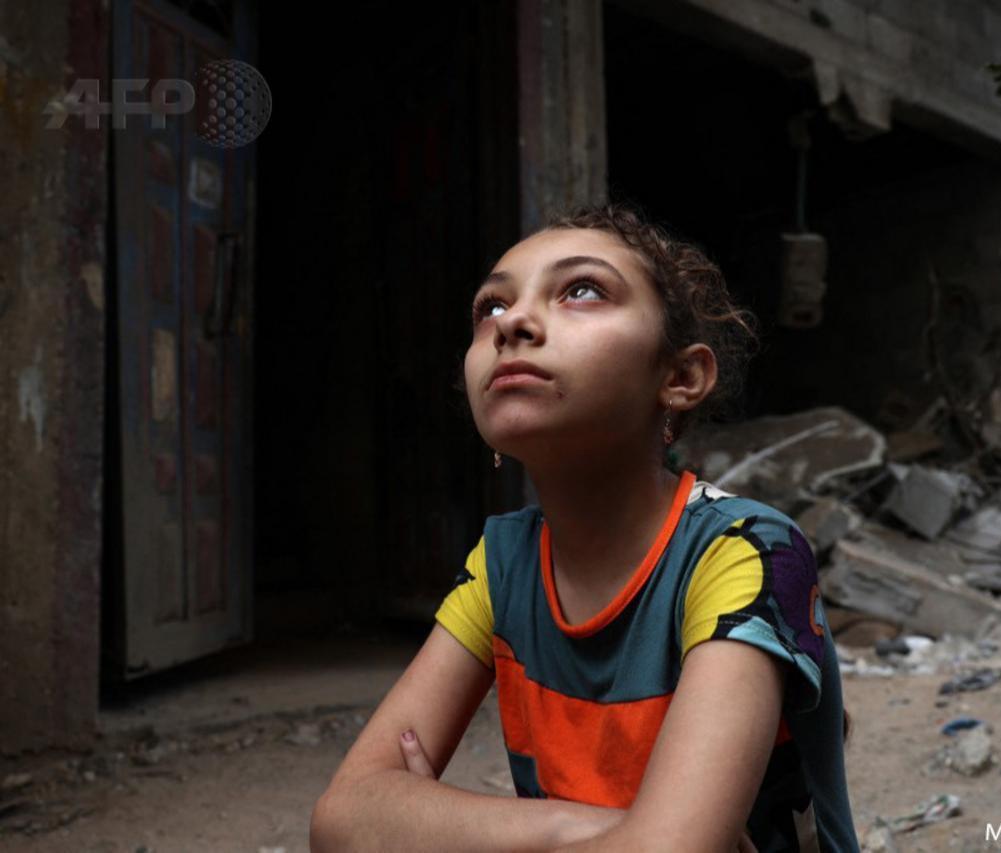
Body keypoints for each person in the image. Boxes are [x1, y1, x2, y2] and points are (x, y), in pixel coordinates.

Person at [310, 202, 860, 852]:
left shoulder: (745, 551)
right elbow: (342, 817)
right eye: (491, 306)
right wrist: (582, 827)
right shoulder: (503, 562)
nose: (510, 323)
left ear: (681, 376)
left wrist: (436, 826)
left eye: (582, 290)